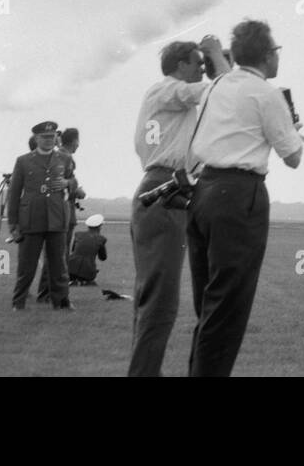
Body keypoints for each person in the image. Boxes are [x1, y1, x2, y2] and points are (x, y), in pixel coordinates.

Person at [186, 20, 304, 377]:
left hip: (203, 191)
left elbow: (227, 79)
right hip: (240, 197)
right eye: (276, 51)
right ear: (268, 56)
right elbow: (293, 157)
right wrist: (291, 129)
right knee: (228, 310)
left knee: (209, 305)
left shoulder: (219, 84)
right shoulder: (267, 94)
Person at [128, 35, 229, 378]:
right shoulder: (167, 90)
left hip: (171, 191)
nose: (202, 69)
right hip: (164, 190)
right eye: (197, 63)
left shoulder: (174, 100)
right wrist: (219, 57)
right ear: (180, 65)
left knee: (154, 299)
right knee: (161, 302)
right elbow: (223, 92)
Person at [7, 121, 76, 311]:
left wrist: (67, 183)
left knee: (58, 264)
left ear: (56, 138)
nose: (48, 140)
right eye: (44, 137)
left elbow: (73, 181)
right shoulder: (23, 161)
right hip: (31, 217)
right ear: (36, 139)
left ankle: (61, 302)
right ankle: (18, 302)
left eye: (52, 137)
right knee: (26, 265)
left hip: (56, 217)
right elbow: (14, 193)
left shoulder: (64, 158)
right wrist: (13, 223)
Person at [38, 126, 84, 303]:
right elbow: (60, 186)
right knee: (59, 255)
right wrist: (76, 188)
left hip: (58, 212)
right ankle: (53, 294)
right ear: (75, 141)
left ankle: (47, 293)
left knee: (55, 254)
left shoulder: (57, 155)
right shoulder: (66, 158)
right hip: (63, 213)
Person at [68, 214, 107, 285]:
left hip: (70, 269)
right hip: (88, 272)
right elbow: (103, 257)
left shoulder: (78, 235)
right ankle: (83, 280)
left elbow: (73, 250)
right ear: (99, 227)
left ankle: (74, 280)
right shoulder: (101, 239)